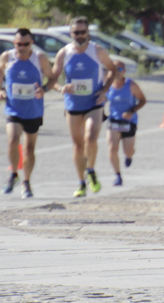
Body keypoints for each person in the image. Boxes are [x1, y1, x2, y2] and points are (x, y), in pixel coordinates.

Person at [45, 17, 117, 198]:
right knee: (78, 145)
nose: (79, 35)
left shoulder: (97, 50)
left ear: (88, 33)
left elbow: (112, 70)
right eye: (76, 32)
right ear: (70, 34)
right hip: (73, 104)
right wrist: (62, 88)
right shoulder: (64, 53)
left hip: (94, 102)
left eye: (83, 32)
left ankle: (91, 170)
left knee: (91, 137)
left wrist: (104, 90)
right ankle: (81, 182)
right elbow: (52, 80)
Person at [0, 28, 53, 199]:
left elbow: (51, 77)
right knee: (13, 139)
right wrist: (0, 89)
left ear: (31, 43)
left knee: (29, 148)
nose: (22, 47)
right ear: (14, 44)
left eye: (25, 44)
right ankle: (13, 174)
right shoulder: (7, 56)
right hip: (13, 108)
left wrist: (45, 89)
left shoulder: (39, 58)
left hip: (33, 109)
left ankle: (26, 181)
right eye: (18, 44)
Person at [105, 60, 146, 186]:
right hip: (114, 121)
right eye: (115, 69)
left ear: (124, 71)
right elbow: (100, 100)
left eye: (120, 69)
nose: (118, 72)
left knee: (128, 151)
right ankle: (118, 175)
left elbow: (142, 100)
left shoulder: (131, 85)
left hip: (129, 121)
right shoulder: (107, 85)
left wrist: (131, 111)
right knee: (112, 149)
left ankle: (129, 156)